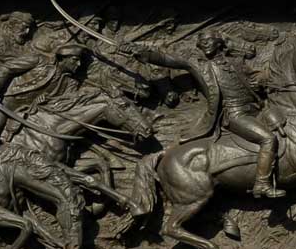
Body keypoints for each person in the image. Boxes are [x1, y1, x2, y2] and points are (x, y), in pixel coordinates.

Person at [122, 32, 285, 198]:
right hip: (235, 114)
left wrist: (262, 80)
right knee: (268, 139)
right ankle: (261, 184)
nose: (203, 44)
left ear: (218, 42)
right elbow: (166, 59)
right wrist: (139, 52)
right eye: (201, 43)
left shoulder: (236, 62)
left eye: (207, 41)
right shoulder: (199, 65)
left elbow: (255, 80)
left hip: (258, 109)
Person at [0, 11, 40, 141]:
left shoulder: (23, 43)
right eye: (24, 27)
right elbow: (9, 64)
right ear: (13, 24)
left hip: (24, 93)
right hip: (1, 93)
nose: (27, 32)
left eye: (29, 28)